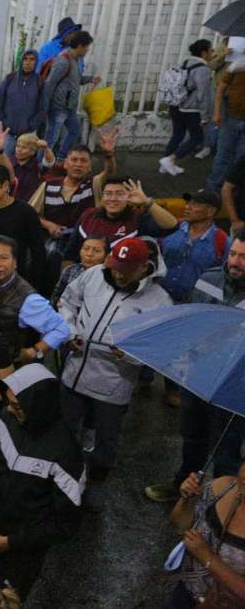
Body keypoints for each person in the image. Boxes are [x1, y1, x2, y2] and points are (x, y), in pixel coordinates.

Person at [58, 237, 172, 508]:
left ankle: (96, 482)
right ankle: (62, 476)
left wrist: (130, 355)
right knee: (64, 430)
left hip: (113, 385)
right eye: (115, 267)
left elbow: (159, 349)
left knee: (105, 441)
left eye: (126, 270)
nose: (118, 275)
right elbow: (67, 302)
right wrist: (69, 332)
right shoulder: (93, 275)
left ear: (144, 268)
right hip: (75, 372)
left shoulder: (160, 302)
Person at [144, 231, 245, 505]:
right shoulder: (209, 278)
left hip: (235, 383)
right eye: (233, 254)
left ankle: (220, 504)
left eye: (244, 257)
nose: (235, 262)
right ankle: (183, 488)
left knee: (226, 447)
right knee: (192, 436)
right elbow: (192, 318)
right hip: (199, 373)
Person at [0, 364, 84, 599]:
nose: (10, 410)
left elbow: (65, 525)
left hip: (21, 552)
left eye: (18, 406)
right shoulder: (6, 419)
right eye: (9, 402)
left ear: (39, 406)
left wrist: (9, 543)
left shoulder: (66, 454)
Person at [0, 235, 69, 364]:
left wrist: (33, 352)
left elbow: (61, 329)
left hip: (4, 366)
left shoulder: (28, 299)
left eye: (4, 258)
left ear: (15, 262)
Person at [28, 133, 117, 262]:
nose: (78, 164)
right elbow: (29, 213)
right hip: (52, 243)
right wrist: (48, 225)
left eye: (83, 161)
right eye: (74, 160)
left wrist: (108, 154)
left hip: (85, 247)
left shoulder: (94, 184)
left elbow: (109, 172)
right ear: (65, 164)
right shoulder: (48, 186)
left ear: (90, 167)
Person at [168, 464, 245, 607]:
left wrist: (208, 558)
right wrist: (186, 500)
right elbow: (179, 525)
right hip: (185, 592)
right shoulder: (221, 487)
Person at [63, 176, 178, 265]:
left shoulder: (138, 219)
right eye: (108, 194)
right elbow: (70, 254)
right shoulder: (88, 216)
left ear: (129, 197)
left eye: (120, 194)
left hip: (120, 279)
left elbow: (172, 226)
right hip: (84, 277)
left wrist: (147, 202)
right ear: (102, 197)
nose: (113, 199)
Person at [0, 163, 47, 284]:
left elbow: (38, 253)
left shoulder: (25, 212)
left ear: (5, 185)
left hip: (16, 280)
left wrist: (32, 285)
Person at [40, 30, 101, 160]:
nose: (88, 50)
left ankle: (60, 158)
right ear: (80, 46)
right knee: (51, 139)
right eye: (87, 47)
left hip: (70, 107)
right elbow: (49, 84)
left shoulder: (77, 60)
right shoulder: (63, 60)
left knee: (74, 131)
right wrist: (45, 107)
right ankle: (41, 164)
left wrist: (90, 79)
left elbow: (75, 80)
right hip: (58, 107)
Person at [160, 189, 227, 303]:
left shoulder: (223, 242)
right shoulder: (171, 229)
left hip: (194, 306)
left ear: (210, 212)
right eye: (188, 203)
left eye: (195, 204)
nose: (187, 207)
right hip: (159, 301)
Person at [159, 39, 214, 176]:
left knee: (177, 135)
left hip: (175, 105)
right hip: (191, 109)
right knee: (197, 137)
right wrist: (205, 116)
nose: (213, 52)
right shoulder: (203, 69)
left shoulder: (184, 63)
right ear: (204, 53)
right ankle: (170, 160)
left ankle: (164, 166)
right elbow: (203, 94)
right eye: (211, 50)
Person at [206, 43, 245, 192]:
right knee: (223, 155)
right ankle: (214, 188)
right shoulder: (237, 65)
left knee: (241, 158)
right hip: (230, 118)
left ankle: (234, 191)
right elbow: (220, 90)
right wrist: (217, 112)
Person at [0, 49, 45, 156]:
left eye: (32, 59)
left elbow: (42, 108)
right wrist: (4, 122)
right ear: (21, 61)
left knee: (24, 161)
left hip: (28, 134)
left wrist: (31, 125)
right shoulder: (10, 78)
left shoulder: (40, 82)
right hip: (8, 133)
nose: (28, 62)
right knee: (5, 160)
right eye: (25, 59)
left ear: (36, 62)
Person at [0, 132, 56, 204]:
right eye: (18, 146)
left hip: (28, 204)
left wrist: (46, 149)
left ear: (33, 152)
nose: (19, 149)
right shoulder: (9, 162)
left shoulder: (36, 166)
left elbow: (49, 162)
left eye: (24, 147)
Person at [51, 234, 107, 305]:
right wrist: (58, 302)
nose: (89, 254)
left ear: (107, 256)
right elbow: (56, 295)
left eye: (97, 251)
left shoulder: (107, 277)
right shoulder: (70, 270)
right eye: (86, 248)